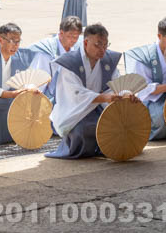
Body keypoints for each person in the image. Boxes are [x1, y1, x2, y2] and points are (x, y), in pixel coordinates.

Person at [46, 23, 124, 159]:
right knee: (83, 129)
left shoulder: (108, 60)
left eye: (105, 45)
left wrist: (126, 94)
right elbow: (74, 94)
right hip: (75, 110)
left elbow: (117, 84)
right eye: (98, 45)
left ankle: (105, 149)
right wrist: (104, 98)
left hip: (99, 106)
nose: (102, 50)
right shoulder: (70, 63)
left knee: (118, 125)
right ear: (86, 42)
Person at [124, 16, 166, 141]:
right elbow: (142, 88)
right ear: (159, 36)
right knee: (161, 117)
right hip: (152, 99)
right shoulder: (144, 57)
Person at [29, 16, 83, 103]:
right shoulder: (47, 52)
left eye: (76, 37)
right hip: (48, 97)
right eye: (70, 36)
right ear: (61, 33)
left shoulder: (78, 48)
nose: (73, 40)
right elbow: (39, 80)